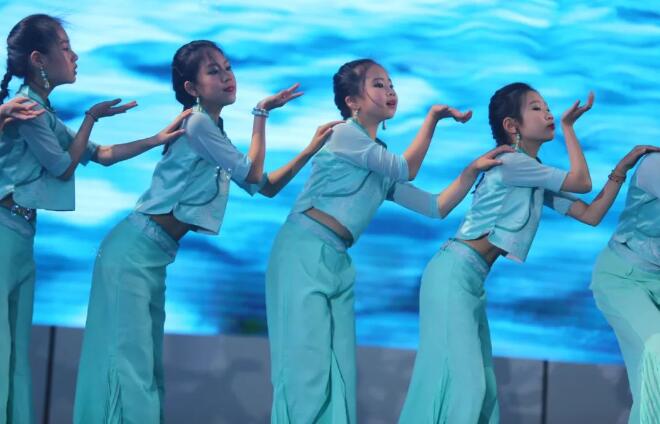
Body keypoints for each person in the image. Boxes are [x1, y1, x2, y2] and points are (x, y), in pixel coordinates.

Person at [265, 58, 511, 423]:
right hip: (303, 251)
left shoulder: (375, 155)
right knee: (306, 370)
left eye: (391, 84)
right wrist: (432, 119)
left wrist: (471, 170)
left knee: (339, 373)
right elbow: (406, 168)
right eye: (378, 85)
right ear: (352, 101)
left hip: (337, 259)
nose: (390, 91)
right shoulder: (343, 134)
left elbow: (435, 207)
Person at [0, 14, 188, 424]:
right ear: (39, 59)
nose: (75, 56)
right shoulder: (27, 109)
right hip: (4, 234)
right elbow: (62, 167)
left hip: (20, 236)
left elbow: (100, 154)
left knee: (14, 357)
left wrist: (158, 138)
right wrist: (89, 118)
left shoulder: (42, 110)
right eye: (65, 48)